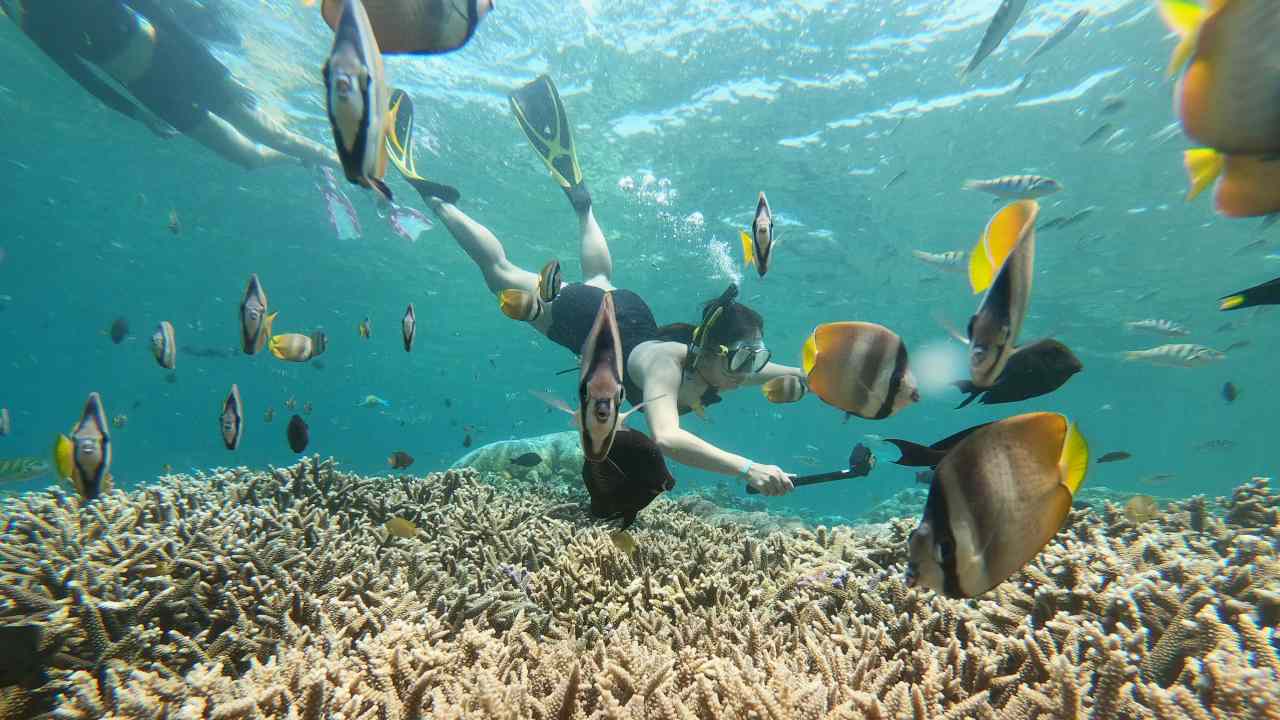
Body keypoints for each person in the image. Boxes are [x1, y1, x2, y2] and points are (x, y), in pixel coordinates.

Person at [388, 75, 802, 496]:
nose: (747, 372)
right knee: (499, 272)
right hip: (588, 318)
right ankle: (435, 199)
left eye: (754, 358)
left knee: (599, 280)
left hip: (627, 312)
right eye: (741, 360)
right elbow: (667, 438)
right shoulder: (666, 368)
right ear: (713, 349)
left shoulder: (711, 360)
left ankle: (583, 206)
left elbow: (760, 374)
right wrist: (747, 467)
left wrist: (812, 375)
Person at [2, 0, 337, 170]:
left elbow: (159, 14)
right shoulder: (24, 15)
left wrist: (223, 74)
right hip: (151, 92)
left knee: (267, 133)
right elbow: (79, 74)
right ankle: (299, 160)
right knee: (247, 157)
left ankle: (348, 165)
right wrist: (137, 113)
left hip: (178, 59)